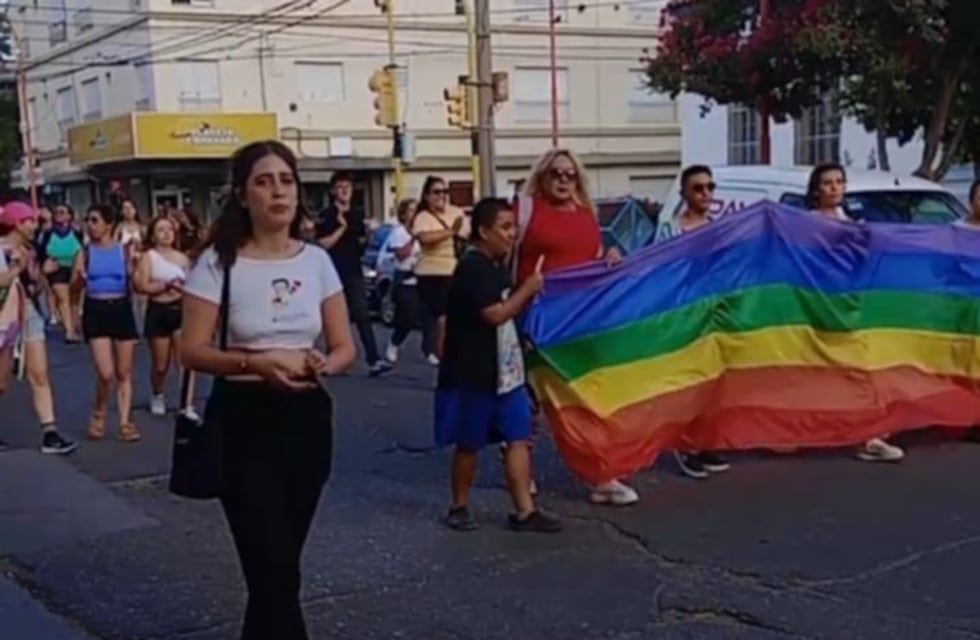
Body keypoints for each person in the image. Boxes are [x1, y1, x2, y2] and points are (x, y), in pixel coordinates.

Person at [181, 140, 356, 640]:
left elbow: (345, 347)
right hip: (243, 421)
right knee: (272, 570)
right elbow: (191, 351)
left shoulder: (317, 261)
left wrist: (325, 362)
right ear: (242, 195)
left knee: (278, 573)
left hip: (305, 419)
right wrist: (254, 363)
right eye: (263, 181)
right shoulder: (218, 262)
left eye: (286, 180)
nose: (278, 191)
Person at [511, 148, 635, 506]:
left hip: (580, 319)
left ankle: (601, 474)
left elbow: (593, 257)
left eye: (570, 175)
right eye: (555, 173)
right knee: (531, 397)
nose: (563, 180)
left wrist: (609, 258)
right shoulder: (526, 208)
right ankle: (522, 470)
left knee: (587, 395)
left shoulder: (586, 214)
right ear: (542, 175)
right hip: (535, 316)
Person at [436, 197, 561, 533]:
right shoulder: (473, 268)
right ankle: (459, 505)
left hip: (506, 371)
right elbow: (495, 313)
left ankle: (524, 510)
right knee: (470, 442)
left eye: (513, 227)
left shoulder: (495, 265)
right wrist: (528, 290)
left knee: (518, 436)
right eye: (505, 228)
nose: (512, 234)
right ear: (483, 231)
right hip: (475, 372)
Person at [806, 163, 905, 463]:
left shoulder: (851, 221)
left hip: (851, 306)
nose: (835, 187)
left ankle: (869, 436)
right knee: (820, 370)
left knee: (862, 368)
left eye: (839, 182)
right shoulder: (807, 223)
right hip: (820, 306)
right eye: (827, 183)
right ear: (816, 189)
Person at [655, 165, 734, 479]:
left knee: (713, 384)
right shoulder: (669, 231)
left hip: (713, 318)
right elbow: (657, 270)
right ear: (685, 193)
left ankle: (703, 444)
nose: (706, 194)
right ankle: (684, 447)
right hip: (682, 317)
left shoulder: (720, 230)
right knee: (686, 383)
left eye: (710, 187)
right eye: (699, 188)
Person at [0, 202, 77, 454]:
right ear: (16, 224)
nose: (34, 226)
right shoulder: (2, 249)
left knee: (39, 373)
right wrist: (16, 268)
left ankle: (50, 431)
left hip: (29, 311)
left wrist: (40, 273)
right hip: (5, 316)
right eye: (29, 221)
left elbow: (37, 287)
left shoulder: (31, 249)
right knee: (1, 382)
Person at [72, 204, 141, 443]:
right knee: (105, 372)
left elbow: (136, 283)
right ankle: (100, 411)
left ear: (108, 225)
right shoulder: (85, 252)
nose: (90, 226)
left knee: (124, 371)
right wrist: (79, 282)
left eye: (94, 220)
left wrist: (135, 268)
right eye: (88, 220)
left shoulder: (123, 251)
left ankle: (125, 422)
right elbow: (74, 289)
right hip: (96, 308)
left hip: (120, 308)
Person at [315, 171, 390, 376]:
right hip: (332, 272)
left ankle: (374, 360)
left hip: (354, 271)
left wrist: (369, 236)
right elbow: (322, 244)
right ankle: (334, 358)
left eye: (347, 187)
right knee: (334, 317)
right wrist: (341, 228)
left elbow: (361, 247)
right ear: (333, 191)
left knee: (362, 314)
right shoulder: (327, 215)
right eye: (340, 187)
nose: (344, 191)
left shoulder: (357, 214)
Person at [135, 215, 194, 418]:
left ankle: (187, 403)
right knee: (161, 365)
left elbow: (193, 286)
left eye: (169, 229)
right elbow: (142, 286)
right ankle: (158, 393)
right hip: (158, 311)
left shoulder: (183, 258)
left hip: (180, 310)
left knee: (184, 361)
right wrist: (165, 285)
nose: (166, 233)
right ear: (153, 235)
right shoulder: (148, 257)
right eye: (161, 230)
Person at [411, 176, 469, 365]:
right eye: (436, 192)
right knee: (442, 319)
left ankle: (445, 353)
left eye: (444, 192)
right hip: (432, 274)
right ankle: (443, 358)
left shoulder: (456, 213)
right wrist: (450, 232)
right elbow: (425, 238)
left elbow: (466, 235)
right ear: (427, 196)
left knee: (454, 321)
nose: (441, 196)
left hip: (455, 270)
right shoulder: (423, 217)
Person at [38, 204, 83, 342]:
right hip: (56, 268)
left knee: (74, 299)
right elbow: (40, 251)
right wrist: (44, 267)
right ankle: (69, 332)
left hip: (74, 267)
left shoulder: (76, 231)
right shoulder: (48, 233)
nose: (59, 214)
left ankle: (76, 326)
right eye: (57, 212)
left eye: (63, 212)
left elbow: (82, 249)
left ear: (70, 215)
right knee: (63, 299)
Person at [384, 198, 422, 364]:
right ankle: (394, 342)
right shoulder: (399, 233)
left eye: (416, 210)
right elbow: (401, 255)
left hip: (423, 278)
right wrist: (413, 238)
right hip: (405, 280)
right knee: (408, 318)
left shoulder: (423, 230)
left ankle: (430, 349)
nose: (414, 214)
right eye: (411, 210)